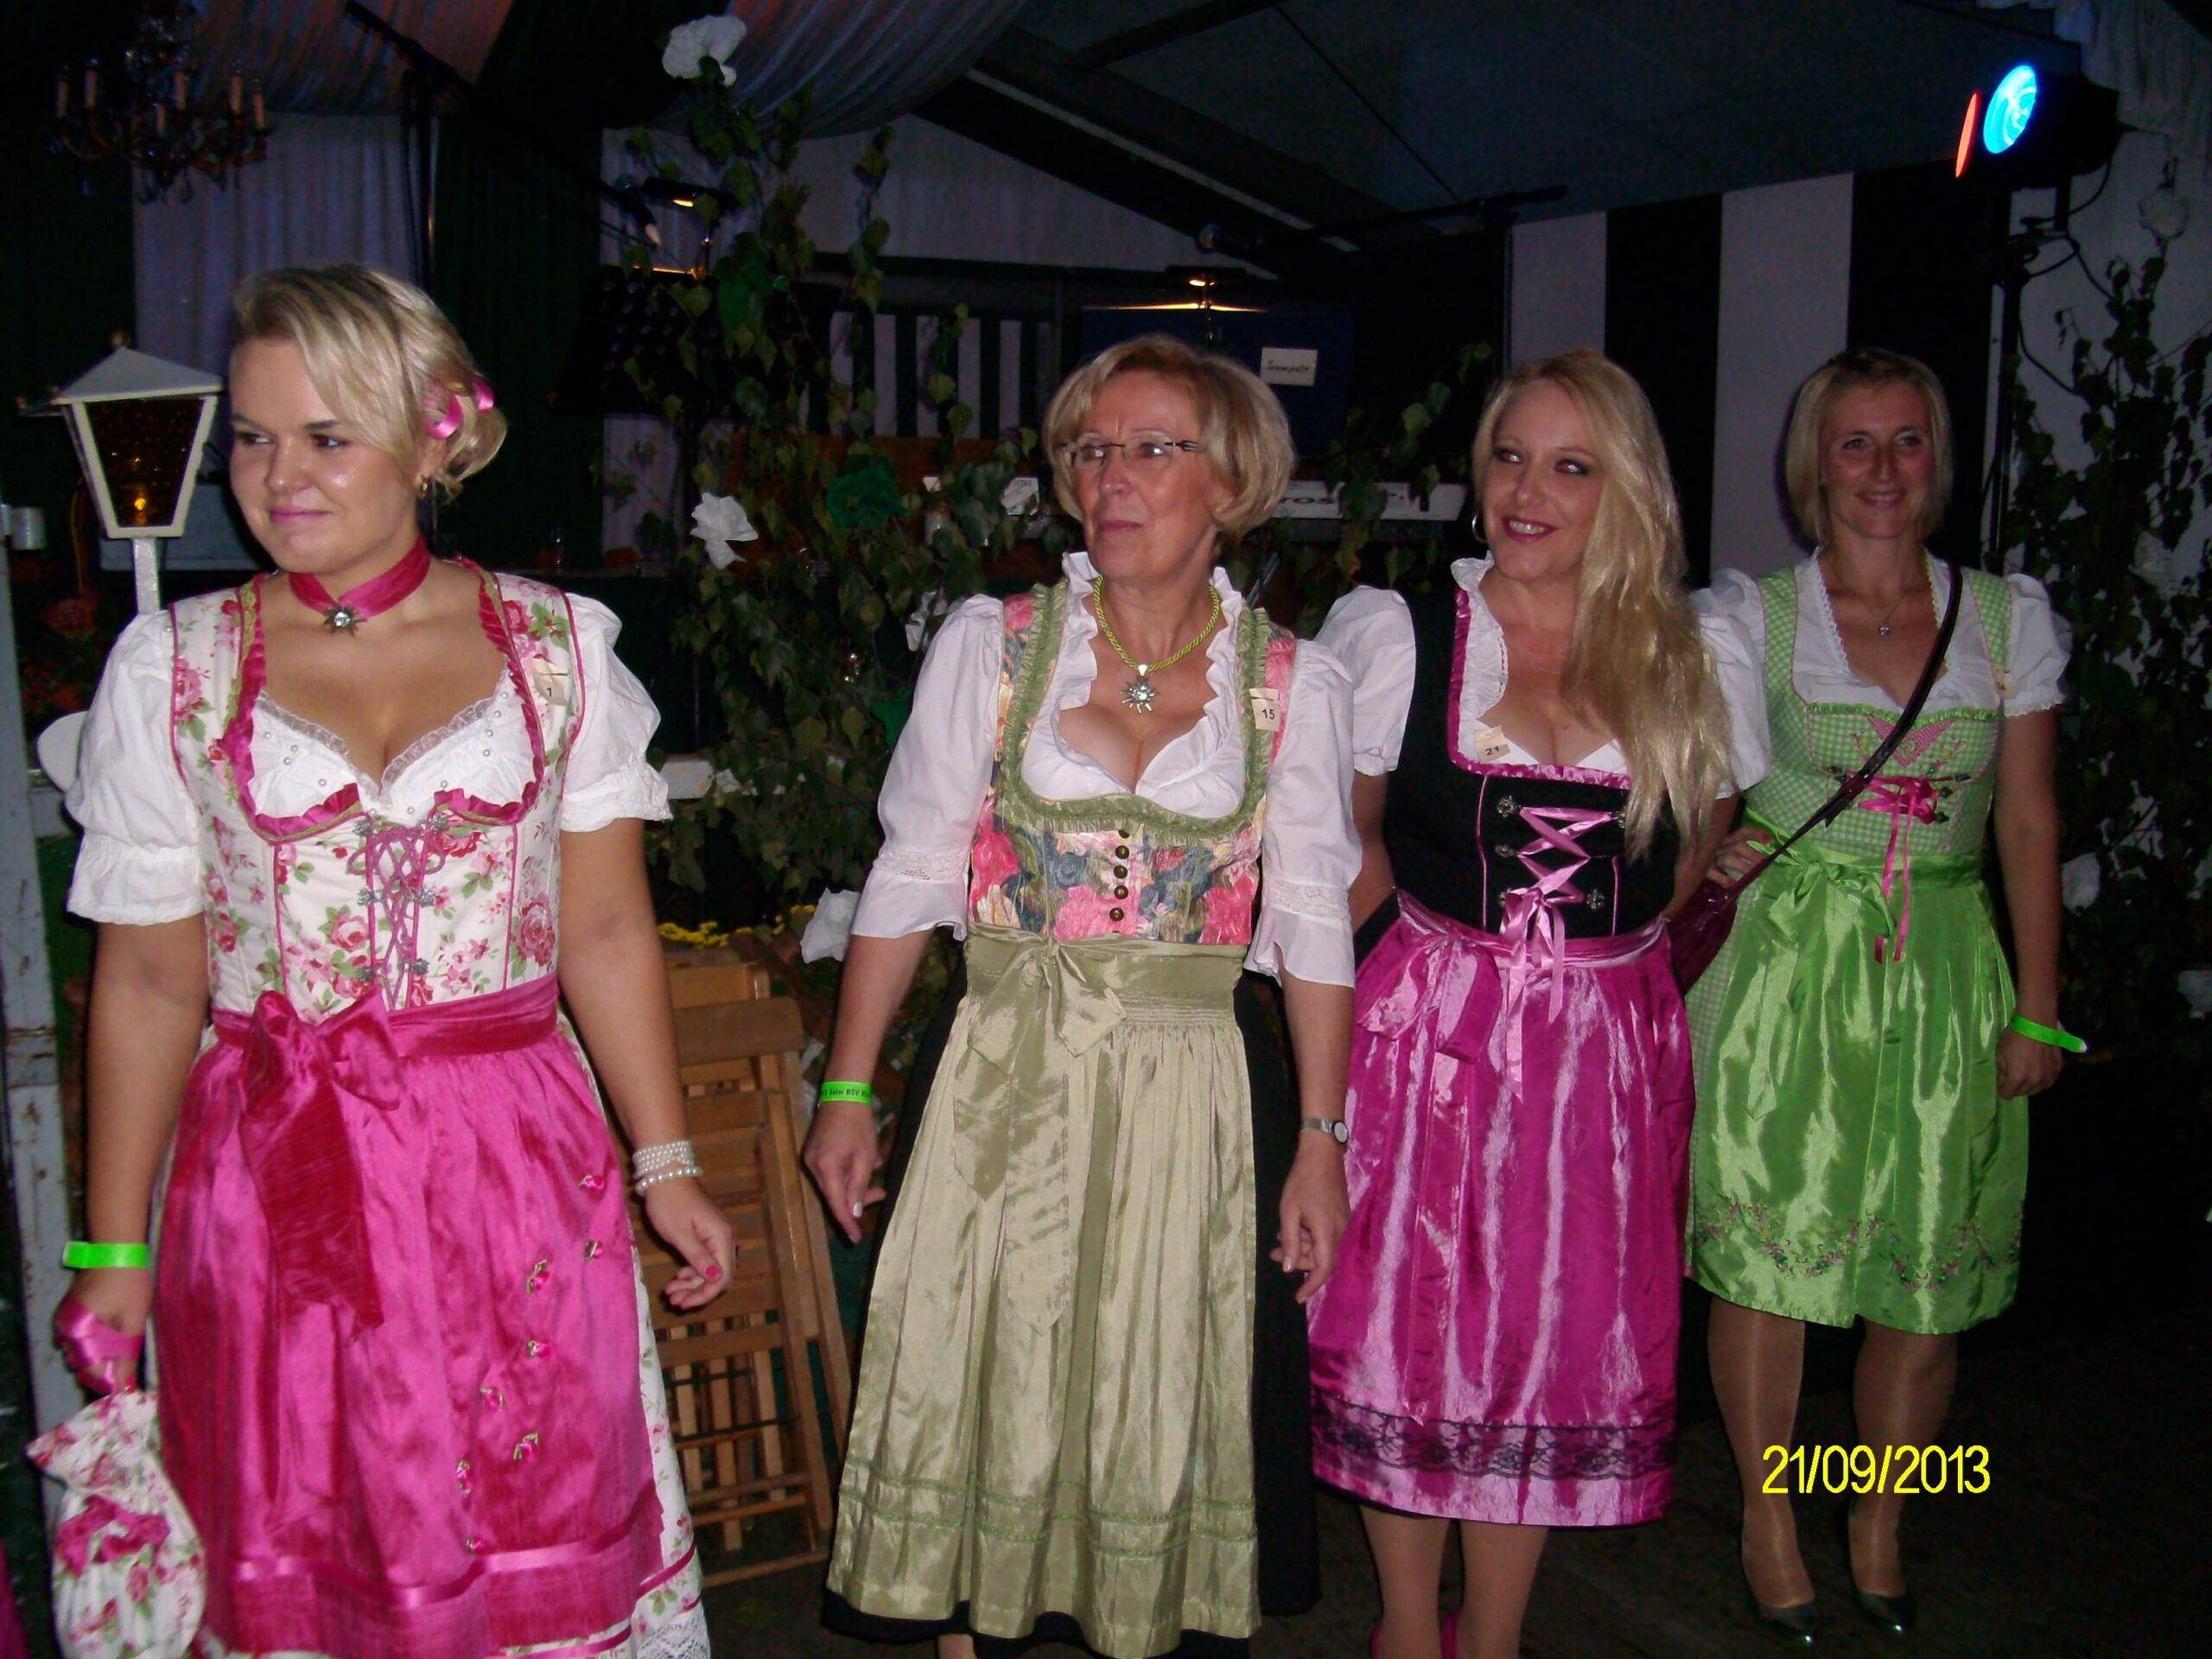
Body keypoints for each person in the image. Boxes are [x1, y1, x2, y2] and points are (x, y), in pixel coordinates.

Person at [60, 264, 730, 1658]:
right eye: (253, 437)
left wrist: (666, 1163)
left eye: (327, 436)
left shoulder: (556, 648)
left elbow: (605, 929)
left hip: (515, 1163)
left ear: (433, 439)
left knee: (529, 1512)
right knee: (311, 1531)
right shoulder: (173, 668)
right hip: (275, 1170)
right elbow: (149, 981)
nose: (277, 477)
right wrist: (112, 1246)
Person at [802, 334, 1358, 1659]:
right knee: (978, 1372)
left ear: (1231, 480)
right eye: (1092, 449)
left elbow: (1313, 921)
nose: (1113, 477)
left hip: (1189, 1092)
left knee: (1148, 1385)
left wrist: (1320, 1140)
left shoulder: (1291, 681)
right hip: (1004, 1069)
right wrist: (847, 1087)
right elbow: (911, 872)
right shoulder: (994, 648)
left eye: (1154, 448)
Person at [1305, 350, 1732, 1659]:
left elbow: (1693, 857)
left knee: (1544, 1345)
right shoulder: (1398, 634)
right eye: (1509, 457)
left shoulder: (1687, 655)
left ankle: (1489, 1640)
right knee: (1411, 1335)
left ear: (1626, 491)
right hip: (1428, 1033)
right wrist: (1417, 984)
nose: (1527, 491)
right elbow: (1341, 839)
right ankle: (1402, 1630)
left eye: (1570, 466)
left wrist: (1584, 979)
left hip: (1598, 1051)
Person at [1690, 348, 2069, 1641]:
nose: (1883, 469)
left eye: (1907, 440)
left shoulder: (2006, 619)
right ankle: (1769, 1518)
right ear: (1815, 462)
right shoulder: (1751, 617)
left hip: (1947, 967)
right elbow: (1713, 793)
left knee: (1929, 1261)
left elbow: (2028, 819)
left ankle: (1878, 1515)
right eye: (1855, 442)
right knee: (1769, 1261)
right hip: (1787, 966)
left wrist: (2038, 1007)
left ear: (1936, 458)